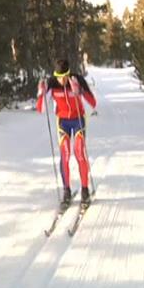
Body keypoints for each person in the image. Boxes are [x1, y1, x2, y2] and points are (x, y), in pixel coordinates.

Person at [36, 58, 97, 206]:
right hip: (63, 122)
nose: (62, 81)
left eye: (64, 77)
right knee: (65, 155)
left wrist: (80, 91)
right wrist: (41, 93)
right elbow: (41, 109)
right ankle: (66, 190)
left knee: (79, 153)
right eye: (59, 77)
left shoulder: (77, 80)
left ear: (69, 74)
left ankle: (84, 190)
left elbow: (93, 103)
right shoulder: (52, 83)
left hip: (78, 121)